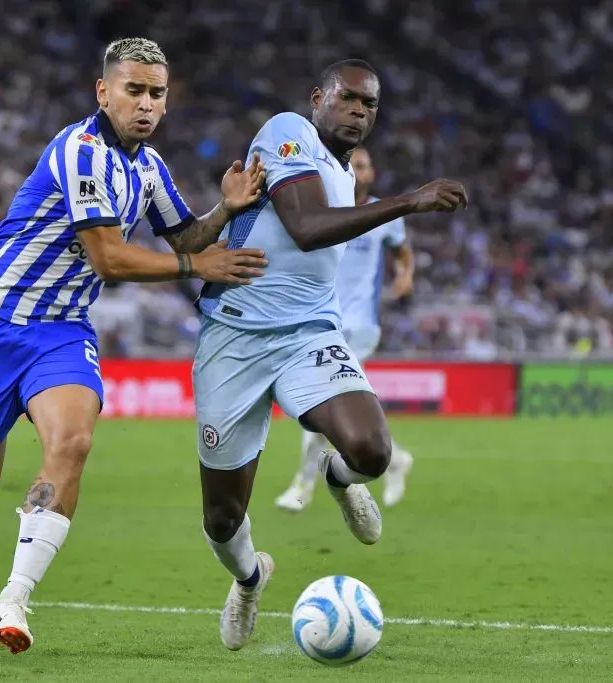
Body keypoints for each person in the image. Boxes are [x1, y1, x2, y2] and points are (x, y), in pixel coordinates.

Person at [0, 37, 268, 655]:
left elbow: (184, 234)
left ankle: (10, 604)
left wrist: (224, 209)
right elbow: (107, 257)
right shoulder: (80, 152)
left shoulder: (148, 167)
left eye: (156, 93)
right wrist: (196, 266)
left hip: (61, 330)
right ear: (103, 92)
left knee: (73, 442)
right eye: (134, 90)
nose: (146, 104)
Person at [192, 59, 467, 651]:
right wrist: (409, 201)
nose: (358, 112)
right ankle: (248, 578)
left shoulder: (343, 174)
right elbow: (308, 227)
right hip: (235, 337)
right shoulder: (287, 131)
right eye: (348, 99)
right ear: (318, 98)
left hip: (309, 334)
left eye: (369, 105)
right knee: (221, 519)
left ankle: (338, 479)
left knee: (372, 450)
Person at [275, 146, 416, 513]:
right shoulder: (325, 208)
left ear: (371, 175)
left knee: (321, 398)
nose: (360, 169)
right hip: (322, 320)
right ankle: (395, 459)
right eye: (354, 163)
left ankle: (303, 485)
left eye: (366, 164)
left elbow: (403, 252)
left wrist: (406, 274)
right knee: (331, 404)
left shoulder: (383, 213)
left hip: (360, 324)